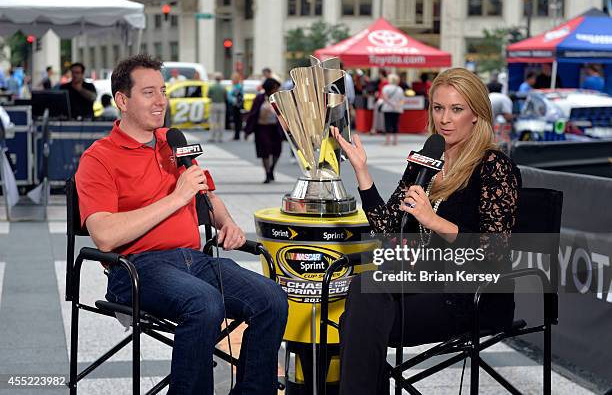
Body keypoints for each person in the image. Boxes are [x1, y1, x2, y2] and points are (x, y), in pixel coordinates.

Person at [75, 54, 287, 395]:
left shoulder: (174, 144)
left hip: (195, 262)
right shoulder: (99, 158)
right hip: (135, 268)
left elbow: (207, 197)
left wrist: (227, 221)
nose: (161, 101)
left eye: (162, 90)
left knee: (271, 298)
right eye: (149, 92)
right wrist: (176, 197)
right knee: (204, 303)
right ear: (122, 100)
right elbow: (104, 236)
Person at [331, 67, 521, 395]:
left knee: (358, 321)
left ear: (476, 115)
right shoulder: (426, 160)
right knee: (364, 292)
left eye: (456, 109)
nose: (445, 119)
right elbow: (389, 228)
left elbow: (495, 253)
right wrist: (362, 172)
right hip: (425, 278)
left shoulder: (494, 166)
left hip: (474, 293)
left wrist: (432, 221)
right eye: (438, 108)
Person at [245, 78, 283, 183]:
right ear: (270, 88)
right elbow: (253, 114)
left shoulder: (279, 98)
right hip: (262, 128)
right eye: (275, 88)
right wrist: (247, 131)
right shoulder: (259, 98)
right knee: (264, 150)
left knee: (277, 150)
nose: (277, 90)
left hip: (275, 128)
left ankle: (271, 169)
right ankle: (267, 174)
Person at [380, 73, 404, 146]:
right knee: (395, 124)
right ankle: (395, 141)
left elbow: (384, 98)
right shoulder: (400, 89)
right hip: (397, 109)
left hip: (387, 108)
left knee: (388, 124)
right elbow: (402, 100)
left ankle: (387, 141)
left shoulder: (386, 88)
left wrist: (391, 104)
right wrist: (397, 105)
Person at [207, 72, 227, 143]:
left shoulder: (212, 87)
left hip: (214, 104)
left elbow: (208, 95)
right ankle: (220, 137)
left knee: (213, 121)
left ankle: (212, 136)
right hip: (221, 104)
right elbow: (225, 96)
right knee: (221, 121)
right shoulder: (223, 87)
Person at [227, 72, 244, 140]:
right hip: (235, 105)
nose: (232, 80)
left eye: (233, 79)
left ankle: (237, 135)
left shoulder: (238, 87)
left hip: (237, 106)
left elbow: (232, 95)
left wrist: (229, 95)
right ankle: (236, 135)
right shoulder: (236, 86)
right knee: (236, 120)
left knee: (237, 121)